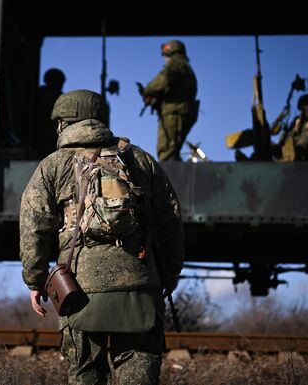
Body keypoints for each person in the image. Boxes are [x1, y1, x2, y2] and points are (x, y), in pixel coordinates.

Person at [19, 89, 184, 385]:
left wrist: (35, 279)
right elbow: (170, 221)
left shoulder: (53, 165)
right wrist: (169, 274)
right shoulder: (139, 159)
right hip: (140, 282)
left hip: (78, 287)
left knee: (85, 373)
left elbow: (34, 226)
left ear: (63, 123)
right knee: (139, 367)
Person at [143, 40, 199, 161]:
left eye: (166, 56)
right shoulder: (185, 67)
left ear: (170, 54)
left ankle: (170, 179)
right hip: (181, 111)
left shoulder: (176, 64)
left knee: (166, 152)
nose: (165, 59)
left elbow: (163, 80)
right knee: (172, 152)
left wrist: (148, 90)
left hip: (174, 113)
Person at [35, 68, 66, 158]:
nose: (61, 85)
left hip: (55, 137)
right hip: (44, 137)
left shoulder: (60, 96)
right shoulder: (43, 95)